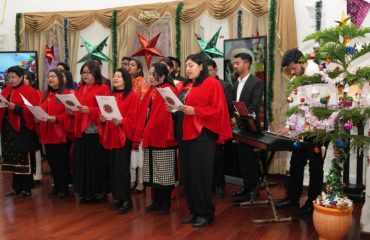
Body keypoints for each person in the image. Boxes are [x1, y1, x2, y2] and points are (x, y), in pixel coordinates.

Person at [168, 53, 232, 227]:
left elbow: (218, 111)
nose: (187, 69)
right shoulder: (186, 86)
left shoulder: (211, 83)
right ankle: (194, 210)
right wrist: (173, 107)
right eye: (186, 66)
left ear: (201, 66)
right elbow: (182, 108)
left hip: (203, 136)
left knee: (201, 176)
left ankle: (205, 212)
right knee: (187, 176)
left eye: (191, 65)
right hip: (184, 135)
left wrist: (195, 111)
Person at [275, 48, 325, 216]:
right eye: (289, 69)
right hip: (300, 130)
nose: (291, 72)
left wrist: (301, 128)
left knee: (315, 168)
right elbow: (295, 107)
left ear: (302, 62)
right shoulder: (297, 78)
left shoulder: (317, 74)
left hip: (317, 129)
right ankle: (293, 197)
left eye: (293, 67)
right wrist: (290, 127)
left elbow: (319, 106)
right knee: (296, 164)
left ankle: (312, 204)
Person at [133, 63, 178, 214]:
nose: (150, 77)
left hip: (163, 138)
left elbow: (171, 115)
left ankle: (165, 204)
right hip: (150, 136)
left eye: (153, 74)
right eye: (150, 74)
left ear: (164, 76)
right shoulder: (152, 90)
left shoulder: (169, 90)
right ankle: (156, 202)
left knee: (163, 173)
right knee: (152, 172)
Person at [67, 60, 110, 202]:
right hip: (80, 130)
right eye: (83, 73)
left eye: (88, 72)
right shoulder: (79, 89)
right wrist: (71, 110)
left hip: (94, 131)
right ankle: (85, 191)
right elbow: (77, 107)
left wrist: (90, 110)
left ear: (95, 73)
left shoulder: (103, 88)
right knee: (83, 162)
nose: (85, 76)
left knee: (95, 162)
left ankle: (98, 191)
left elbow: (107, 109)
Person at [98, 68, 140, 214]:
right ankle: (118, 198)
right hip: (110, 136)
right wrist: (102, 120)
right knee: (113, 169)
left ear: (125, 79)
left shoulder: (132, 96)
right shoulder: (109, 95)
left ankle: (127, 200)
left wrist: (122, 122)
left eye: (118, 76)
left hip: (123, 137)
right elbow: (104, 113)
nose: (115, 78)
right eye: (114, 76)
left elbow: (134, 118)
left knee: (122, 170)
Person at [0, 66, 40, 197]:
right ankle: (15, 187)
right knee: (12, 159)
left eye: (14, 77)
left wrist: (15, 108)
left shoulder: (29, 91)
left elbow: (32, 110)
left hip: (23, 130)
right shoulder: (5, 90)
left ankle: (26, 188)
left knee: (23, 157)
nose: (11, 80)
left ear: (21, 77)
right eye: (9, 77)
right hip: (8, 130)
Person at [231, 52, 264, 202]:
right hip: (239, 126)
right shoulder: (236, 82)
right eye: (234, 63)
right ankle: (246, 187)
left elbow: (254, 105)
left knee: (250, 159)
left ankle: (253, 190)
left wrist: (241, 116)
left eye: (237, 63)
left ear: (247, 64)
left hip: (251, 126)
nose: (235, 65)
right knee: (241, 158)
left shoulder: (257, 82)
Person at [36, 69, 70, 198]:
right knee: (52, 162)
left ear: (60, 79)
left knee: (62, 161)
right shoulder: (45, 95)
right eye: (49, 76)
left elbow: (70, 114)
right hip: (47, 133)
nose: (50, 79)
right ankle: (56, 185)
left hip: (60, 133)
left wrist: (57, 119)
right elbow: (40, 110)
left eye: (54, 76)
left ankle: (64, 187)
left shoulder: (66, 94)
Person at [206, 59, 234, 198]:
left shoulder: (224, 85)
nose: (208, 73)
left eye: (210, 70)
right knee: (206, 159)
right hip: (205, 127)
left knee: (218, 159)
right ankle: (209, 184)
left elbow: (229, 107)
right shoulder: (200, 85)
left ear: (216, 70)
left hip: (219, 127)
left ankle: (220, 185)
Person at [128, 58, 149, 193]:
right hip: (127, 123)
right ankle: (131, 180)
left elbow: (144, 106)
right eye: (128, 65)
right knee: (130, 154)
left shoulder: (142, 83)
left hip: (139, 123)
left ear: (139, 69)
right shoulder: (127, 82)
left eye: (133, 65)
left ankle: (141, 182)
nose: (129, 67)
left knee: (139, 154)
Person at [23, 71, 42, 185]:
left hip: (34, 126)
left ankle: (36, 175)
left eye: (26, 78)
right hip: (22, 126)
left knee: (35, 150)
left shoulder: (37, 93)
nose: (24, 80)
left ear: (32, 81)